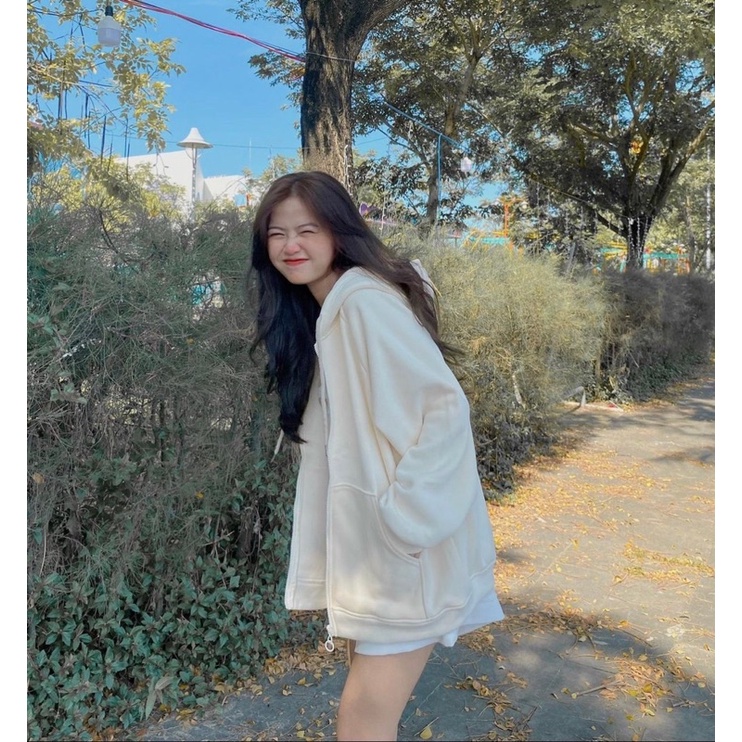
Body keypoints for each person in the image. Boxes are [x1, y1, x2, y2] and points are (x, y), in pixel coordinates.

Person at [249, 171, 504, 741]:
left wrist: (403, 522)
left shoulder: (363, 303)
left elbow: (443, 412)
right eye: (277, 233)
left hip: (402, 558)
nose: (291, 245)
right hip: (378, 560)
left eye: (307, 230)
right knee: (367, 716)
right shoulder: (332, 309)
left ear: (338, 231)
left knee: (362, 719)